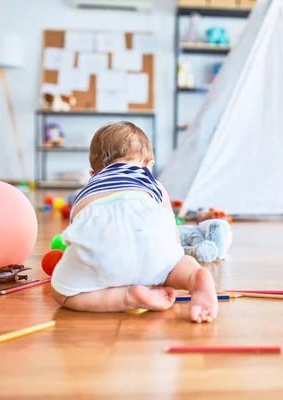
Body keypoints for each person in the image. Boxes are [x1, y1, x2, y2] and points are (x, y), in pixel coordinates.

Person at [50, 122, 218, 323]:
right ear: (149, 165)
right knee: (181, 263)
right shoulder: (152, 183)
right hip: (153, 248)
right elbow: (171, 234)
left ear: (93, 174)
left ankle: (127, 296)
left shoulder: (89, 189)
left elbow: (77, 232)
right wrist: (171, 261)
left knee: (62, 292)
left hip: (104, 252)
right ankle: (195, 280)